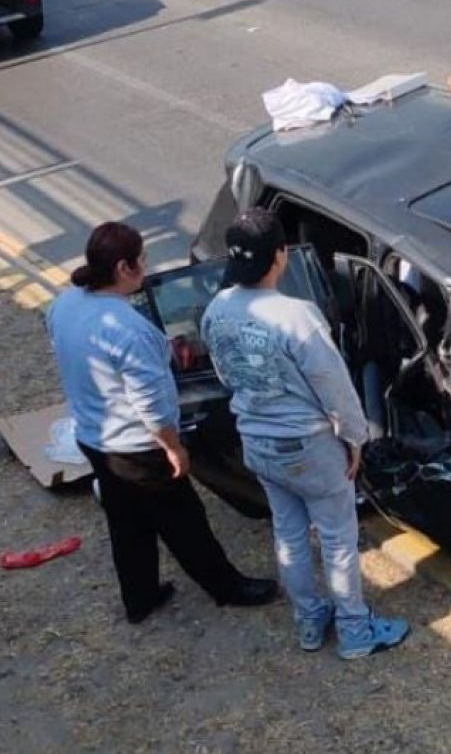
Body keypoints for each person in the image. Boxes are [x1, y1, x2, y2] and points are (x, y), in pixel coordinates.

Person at [201, 209, 409, 659]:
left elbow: (224, 373)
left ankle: (310, 621)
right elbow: (335, 387)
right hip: (309, 447)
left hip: (256, 442)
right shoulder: (297, 316)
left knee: (289, 534)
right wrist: (355, 438)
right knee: (337, 541)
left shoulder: (216, 309)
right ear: (280, 256)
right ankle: (355, 630)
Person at [46, 222, 278, 624]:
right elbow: (151, 406)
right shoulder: (132, 331)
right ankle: (226, 587)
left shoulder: (65, 304)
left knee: (126, 523)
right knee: (184, 521)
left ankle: (140, 597)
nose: (146, 265)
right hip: (138, 449)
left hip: (93, 436)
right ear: (124, 267)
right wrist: (173, 448)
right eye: (142, 259)